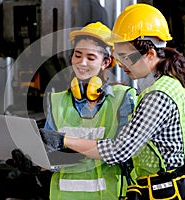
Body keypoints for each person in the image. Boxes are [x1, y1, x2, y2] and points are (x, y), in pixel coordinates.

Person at [39, 4, 185, 200]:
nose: (122, 64)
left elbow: (120, 150)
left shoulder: (158, 95)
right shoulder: (175, 85)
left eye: (126, 57)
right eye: (119, 56)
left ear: (150, 54)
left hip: (176, 191)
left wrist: (64, 140)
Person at [8, 21, 137, 200]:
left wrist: (67, 142)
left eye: (91, 58)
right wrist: (35, 163)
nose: (82, 63)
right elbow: (51, 154)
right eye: (77, 55)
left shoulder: (123, 99)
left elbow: (125, 154)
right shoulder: (58, 101)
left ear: (106, 62)